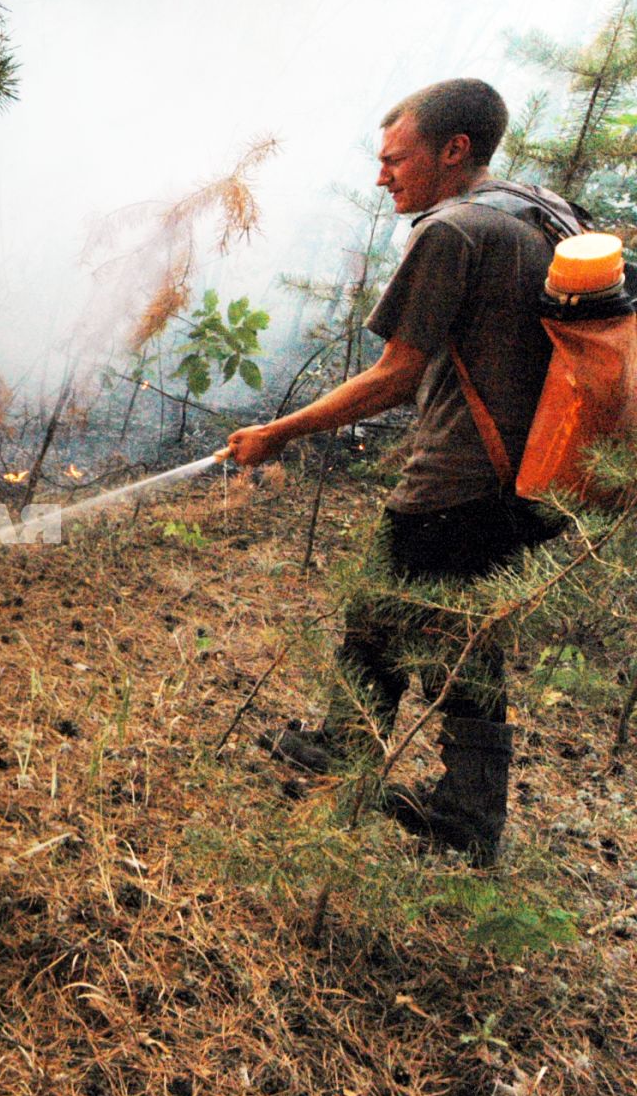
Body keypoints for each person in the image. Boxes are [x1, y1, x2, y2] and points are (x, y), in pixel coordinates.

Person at [224, 78, 578, 866]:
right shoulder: (532, 210)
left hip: (464, 474)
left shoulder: (452, 231)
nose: (383, 176)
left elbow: (394, 375)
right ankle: (390, 766)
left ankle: (447, 800)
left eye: (396, 159)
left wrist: (280, 432)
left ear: (454, 151)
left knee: (411, 610)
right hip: (540, 475)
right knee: (434, 619)